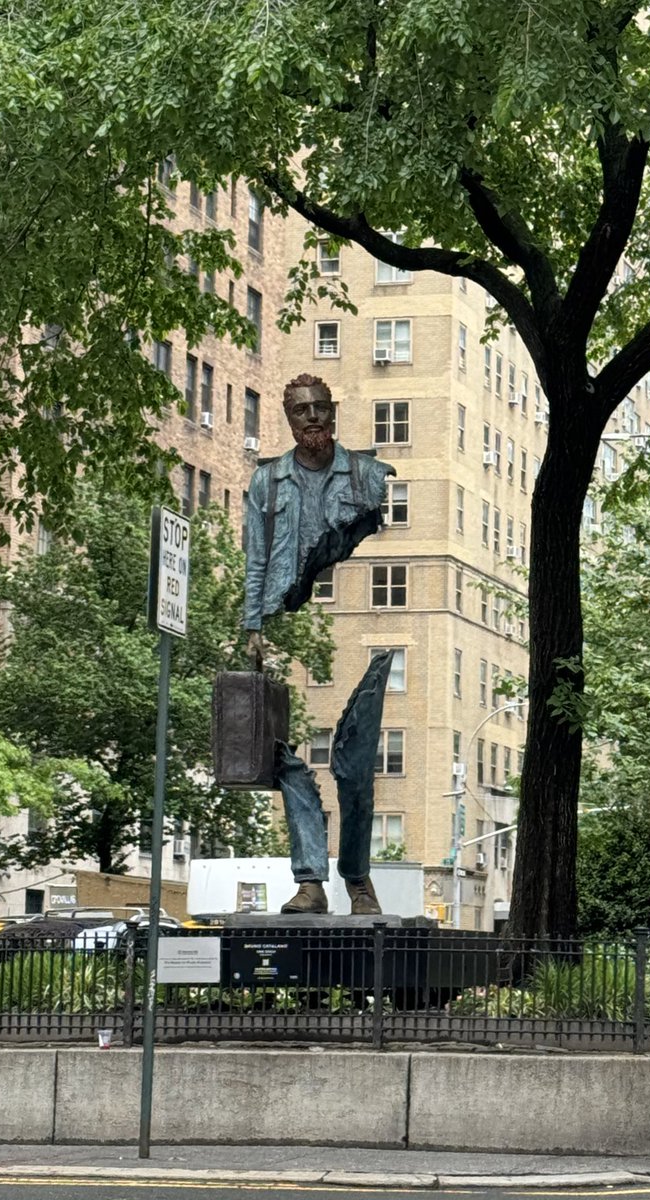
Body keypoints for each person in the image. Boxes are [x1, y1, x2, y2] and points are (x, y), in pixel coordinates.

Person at [243, 374, 395, 915]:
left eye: (319, 408)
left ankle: (359, 882)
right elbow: (256, 560)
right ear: (288, 419)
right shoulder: (268, 483)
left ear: (333, 412)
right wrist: (253, 628)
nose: (311, 417)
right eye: (300, 410)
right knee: (288, 764)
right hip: (289, 628)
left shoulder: (370, 476)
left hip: (369, 621)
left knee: (355, 768)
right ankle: (310, 881)